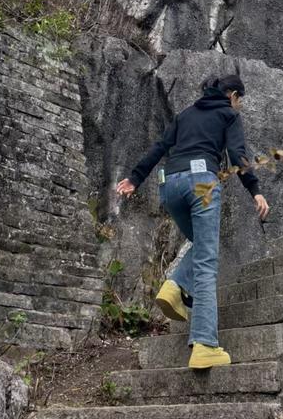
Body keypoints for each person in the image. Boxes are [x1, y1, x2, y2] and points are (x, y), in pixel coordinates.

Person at [115, 73, 270, 370]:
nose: (239, 106)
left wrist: (135, 178)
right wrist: (255, 191)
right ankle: (204, 344)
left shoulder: (187, 114)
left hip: (170, 184)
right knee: (208, 261)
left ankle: (174, 288)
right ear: (233, 96)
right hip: (201, 183)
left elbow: (159, 146)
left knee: (202, 246)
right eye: (240, 101)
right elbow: (238, 154)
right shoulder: (228, 114)